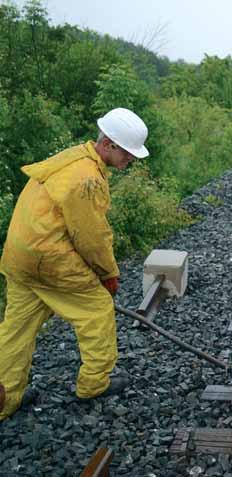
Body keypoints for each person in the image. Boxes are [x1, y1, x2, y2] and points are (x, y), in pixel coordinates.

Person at [0, 107, 149, 421]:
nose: (131, 160)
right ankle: (94, 383)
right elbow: (90, 236)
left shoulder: (71, 159)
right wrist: (108, 273)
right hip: (49, 260)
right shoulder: (87, 179)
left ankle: (5, 399)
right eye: (127, 153)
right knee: (96, 310)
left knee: (15, 331)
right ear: (108, 144)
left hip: (20, 257)